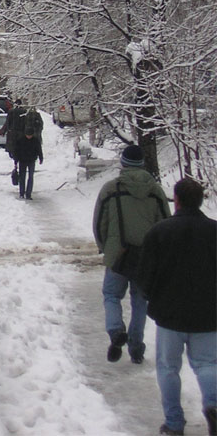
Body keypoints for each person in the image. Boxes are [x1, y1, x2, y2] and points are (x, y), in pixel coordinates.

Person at [138, 177, 216, 436]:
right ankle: (214, 405)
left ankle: (174, 423)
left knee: (168, 368)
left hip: (169, 313)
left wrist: (151, 296)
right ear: (201, 200)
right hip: (208, 314)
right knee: (207, 364)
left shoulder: (160, 232)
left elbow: (146, 274)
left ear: (177, 200)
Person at [92, 144, 171, 364]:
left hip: (118, 253)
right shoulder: (155, 191)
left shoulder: (111, 189)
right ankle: (137, 346)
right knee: (140, 300)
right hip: (147, 255)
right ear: (142, 164)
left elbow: (100, 222)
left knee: (111, 295)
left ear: (123, 163)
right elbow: (165, 221)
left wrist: (104, 246)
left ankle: (116, 330)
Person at [14, 127, 43, 200]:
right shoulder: (20, 140)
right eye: (27, 135)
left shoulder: (35, 141)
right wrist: (16, 160)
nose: (29, 136)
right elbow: (16, 151)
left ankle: (28, 194)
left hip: (31, 160)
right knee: (22, 177)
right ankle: (21, 193)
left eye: (30, 135)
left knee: (30, 177)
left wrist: (40, 157)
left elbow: (39, 149)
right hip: (22, 160)